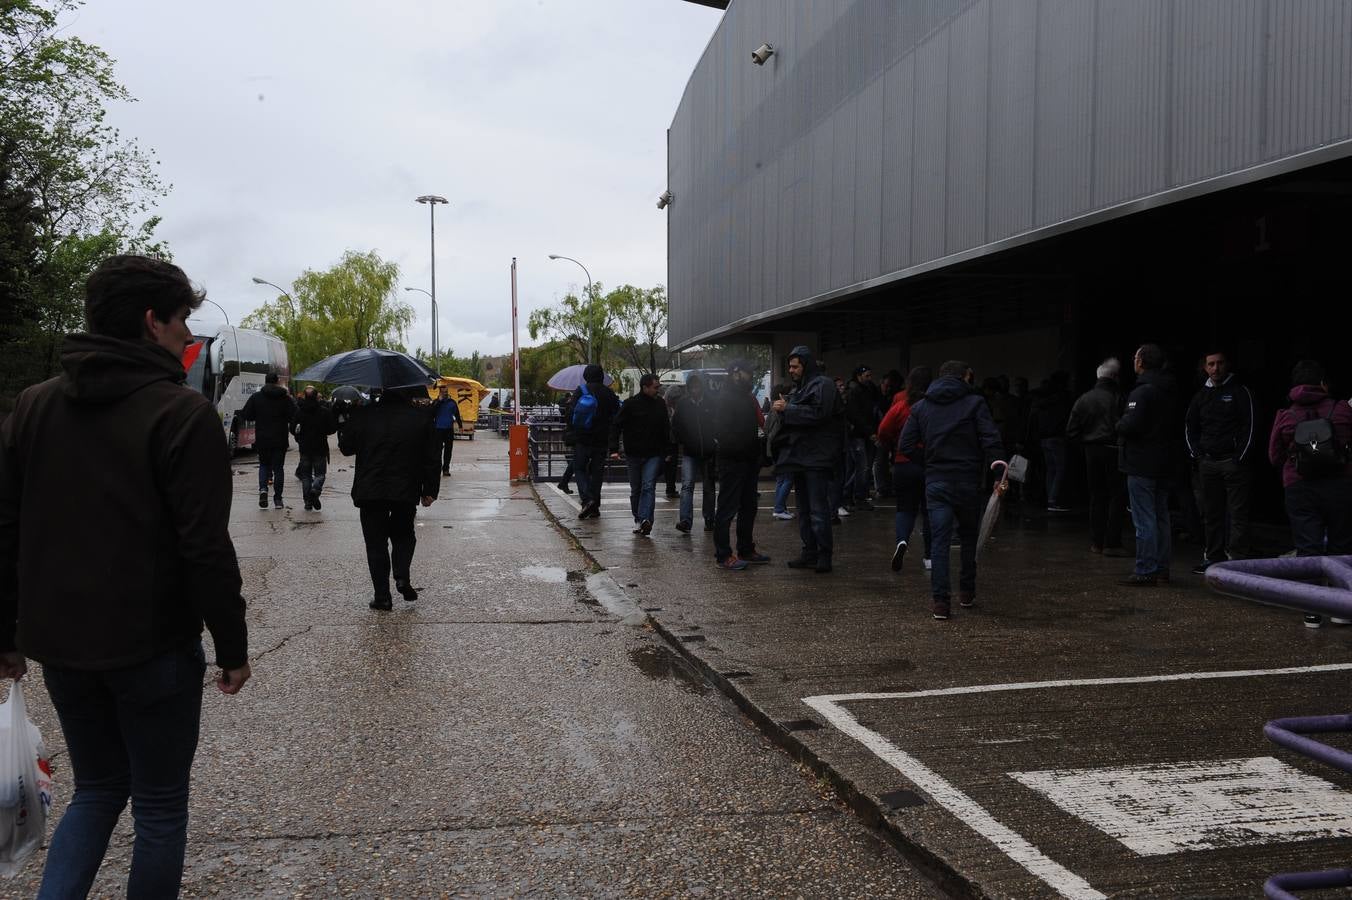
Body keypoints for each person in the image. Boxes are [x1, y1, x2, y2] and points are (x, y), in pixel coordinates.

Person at [0, 254, 250, 897]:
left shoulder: (33, 407)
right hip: (152, 645)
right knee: (161, 806)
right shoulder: (181, 415)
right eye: (182, 322)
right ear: (151, 322)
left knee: (98, 789)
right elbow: (205, 547)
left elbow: (5, 531)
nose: (187, 336)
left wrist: (8, 636)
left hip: (60, 645)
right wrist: (231, 646)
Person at [899, 360, 1006, 620]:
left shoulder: (921, 406)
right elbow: (990, 438)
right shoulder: (975, 403)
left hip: (937, 481)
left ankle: (940, 603)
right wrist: (997, 473)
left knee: (939, 541)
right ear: (965, 377)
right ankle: (967, 592)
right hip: (968, 480)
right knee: (969, 537)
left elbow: (905, 444)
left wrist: (929, 462)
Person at [338, 386, 441, 609]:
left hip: (370, 489)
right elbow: (432, 456)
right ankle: (402, 575)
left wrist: (344, 421)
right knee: (404, 535)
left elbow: (346, 448)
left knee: (375, 544)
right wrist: (430, 489)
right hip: (405, 488)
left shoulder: (364, 415)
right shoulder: (420, 419)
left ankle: (382, 596)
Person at [1268, 360, 1352, 627]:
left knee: (1308, 549)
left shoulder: (1285, 415)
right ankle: (1341, 609)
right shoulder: (1342, 410)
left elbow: (1274, 456)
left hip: (1300, 488)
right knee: (1342, 545)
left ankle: (1312, 611)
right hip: (1340, 486)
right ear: (1323, 383)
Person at [772, 346, 843, 574]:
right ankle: (810, 552)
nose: (791, 370)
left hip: (816, 458)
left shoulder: (823, 385)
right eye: (790, 366)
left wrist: (789, 408)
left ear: (805, 365)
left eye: (795, 366)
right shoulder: (802, 387)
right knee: (804, 509)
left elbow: (819, 414)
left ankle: (823, 555)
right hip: (800, 457)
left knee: (817, 509)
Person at [1185, 349, 1256, 572]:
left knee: (1238, 513)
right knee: (1211, 513)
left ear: (1227, 365)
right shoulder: (1200, 396)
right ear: (1205, 367)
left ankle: (1237, 560)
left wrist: (1239, 457)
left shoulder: (1240, 392)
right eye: (1211, 364)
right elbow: (1190, 427)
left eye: (1220, 363)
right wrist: (1197, 454)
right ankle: (1213, 557)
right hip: (1208, 463)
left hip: (1232, 463)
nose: (1216, 368)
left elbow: (1250, 427)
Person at [1116, 344, 1178, 587]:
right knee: (1161, 515)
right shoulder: (1170, 390)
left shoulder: (1141, 392)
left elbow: (1131, 425)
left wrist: (1119, 424)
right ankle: (1162, 568)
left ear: (1140, 362)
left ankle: (1145, 569)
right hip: (1165, 461)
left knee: (1144, 518)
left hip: (1141, 461)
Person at [711, 360, 771, 570]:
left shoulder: (746, 396)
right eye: (747, 373)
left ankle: (746, 549)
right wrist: (741, 448)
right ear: (736, 373)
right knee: (727, 509)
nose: (750, 376)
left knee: (749, 507)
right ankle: (724, 555)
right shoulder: (725, 398)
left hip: (748, 461)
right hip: (732, 461)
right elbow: (721, 431)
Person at [1066, 358, 1128, 556]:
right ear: (1115, 377)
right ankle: (1112, 542)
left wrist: (1085, 444)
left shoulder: (1084, 399)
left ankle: (1096, 542)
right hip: (1114, 450)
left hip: (1091, 451)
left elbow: (1071, 431)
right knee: (1116, 496)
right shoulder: (1119, 398)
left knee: (1096, 496)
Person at [878, 366, 934, 573]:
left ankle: (902, 541)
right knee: (929, 511)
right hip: (929, 463)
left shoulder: (901, 404)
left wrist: (892, 444)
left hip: (903, 463)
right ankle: (929, 556)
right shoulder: (934, 407)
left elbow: (883, 429)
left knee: (905, 509)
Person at [610, 373, 671, 536]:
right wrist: (614, 449)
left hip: (653, 453)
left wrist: (667, 450)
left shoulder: (660, 404)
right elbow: (616, 425)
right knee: (636, 488)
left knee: (648, 486)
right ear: (645, 387)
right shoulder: (630, 404)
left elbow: (666, 428)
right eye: (655, 387)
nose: (658, 390)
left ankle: (645, 519)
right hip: (634, 454)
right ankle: (640, 518)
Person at [568, 365, 621, 519]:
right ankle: (595, 506)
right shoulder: (609, 393)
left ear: (586, 376)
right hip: (602, 439)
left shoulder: (581, 390)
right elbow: (616, 416)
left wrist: (571, 432)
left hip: (582, 438)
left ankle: (587, 500)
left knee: (579, 469)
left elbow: (571, 413)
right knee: (597, 472)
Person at [241, 371, 297, 509]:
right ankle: (278, 499)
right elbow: (295, 415)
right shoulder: (285, 398)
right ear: (277, 381)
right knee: (278, 468)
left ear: (265, 381)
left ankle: (263, 489)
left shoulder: (256, 397)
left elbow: (246, 415)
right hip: (280, 438)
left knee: (264, 465)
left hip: (262, 438)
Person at [670, 373, 717, 533]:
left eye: (697, 386)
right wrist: (684, 440)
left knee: (707, 487)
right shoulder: (684, 404)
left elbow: (717, 423)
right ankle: (685, 520)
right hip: (691, 451)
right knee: (688, 486)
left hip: (708, 451)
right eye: (693, 386)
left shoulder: (710, 402)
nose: (695, 389)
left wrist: (714, 440)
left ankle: (709, 519)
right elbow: (675, 426)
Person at [292, 384, 337, 511]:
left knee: (306, 476)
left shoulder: (299, 412)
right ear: (317, 396)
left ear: (305, 396)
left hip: (305, 448)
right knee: (320, 474)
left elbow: (292, 429)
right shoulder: (324, 412)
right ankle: (315, 489)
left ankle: (307, 501)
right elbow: (332, 428)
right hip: (320, 447)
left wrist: (299, 435)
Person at [843, 365, 880, 510]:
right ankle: (858, 497)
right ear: (859, 376)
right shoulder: (856, 391)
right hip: (860, 434)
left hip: (862, 433)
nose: (869, 379)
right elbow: (856, 415)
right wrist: (869, 431)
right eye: (867, 376)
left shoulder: (862, 390)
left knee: (858, 467)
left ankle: (851, 496)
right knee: (862, 467)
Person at [432, 384, 464, 476]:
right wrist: (439, 401)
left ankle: (446, 468)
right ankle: (437, 468)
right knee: (437, 450)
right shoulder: (435, 402)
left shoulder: (452, 402)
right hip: (438, 429)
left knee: (448, 450)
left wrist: (460, 426)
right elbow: (432, 413)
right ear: (440, 392)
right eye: (443, 392)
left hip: (449, 429)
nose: (445, 393)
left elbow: (457, 414)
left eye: (446, 392)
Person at [556, 391, 576, 493]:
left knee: (576, 460)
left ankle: (563, 482)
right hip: (580, 435)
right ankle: (564, 482)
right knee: (577, 460)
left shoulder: (570, 403)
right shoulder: (576, 403)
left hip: (572, 434)